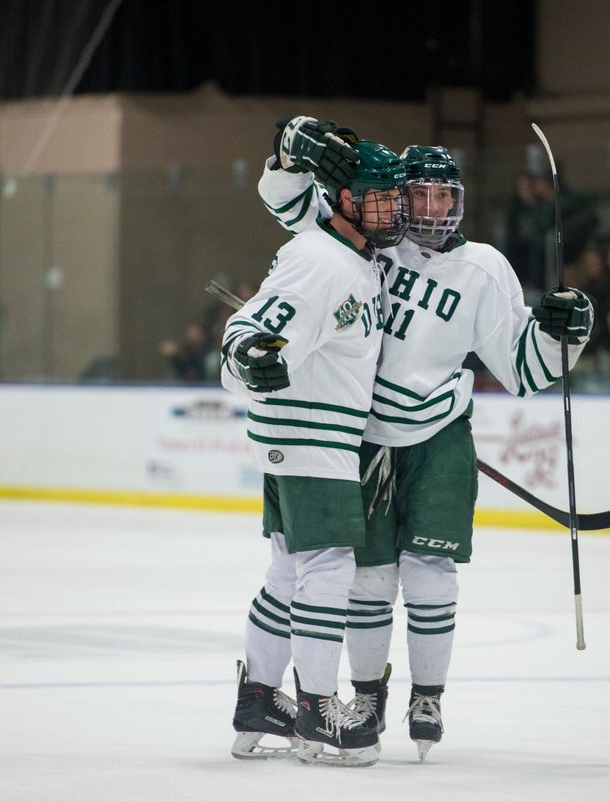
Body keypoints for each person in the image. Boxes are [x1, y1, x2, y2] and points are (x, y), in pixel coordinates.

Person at [258, 115, 594, 760]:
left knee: (432, 569)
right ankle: (367, 695)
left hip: (439, 436)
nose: (434, 208)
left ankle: (428, 696)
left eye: (446, 196)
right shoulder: (371, 240)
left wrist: (565, 331)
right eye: (421, 194)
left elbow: (524, 367)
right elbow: (288, 202)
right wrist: (289, 147)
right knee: (370, 578)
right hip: (364, 437)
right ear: (397, 195)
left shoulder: (485, 267)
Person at [225, 132, 410, 768]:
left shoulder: (352, 259)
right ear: (345, 200)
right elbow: (248, 328)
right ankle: (318, 712)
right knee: (328, 571)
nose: (397, 211)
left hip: (307, 438)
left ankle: (257, 700)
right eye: (382, 200)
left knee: (288, 573)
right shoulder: (320, 259)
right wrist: (247, 358)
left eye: (396, 198)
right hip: (310, 439)